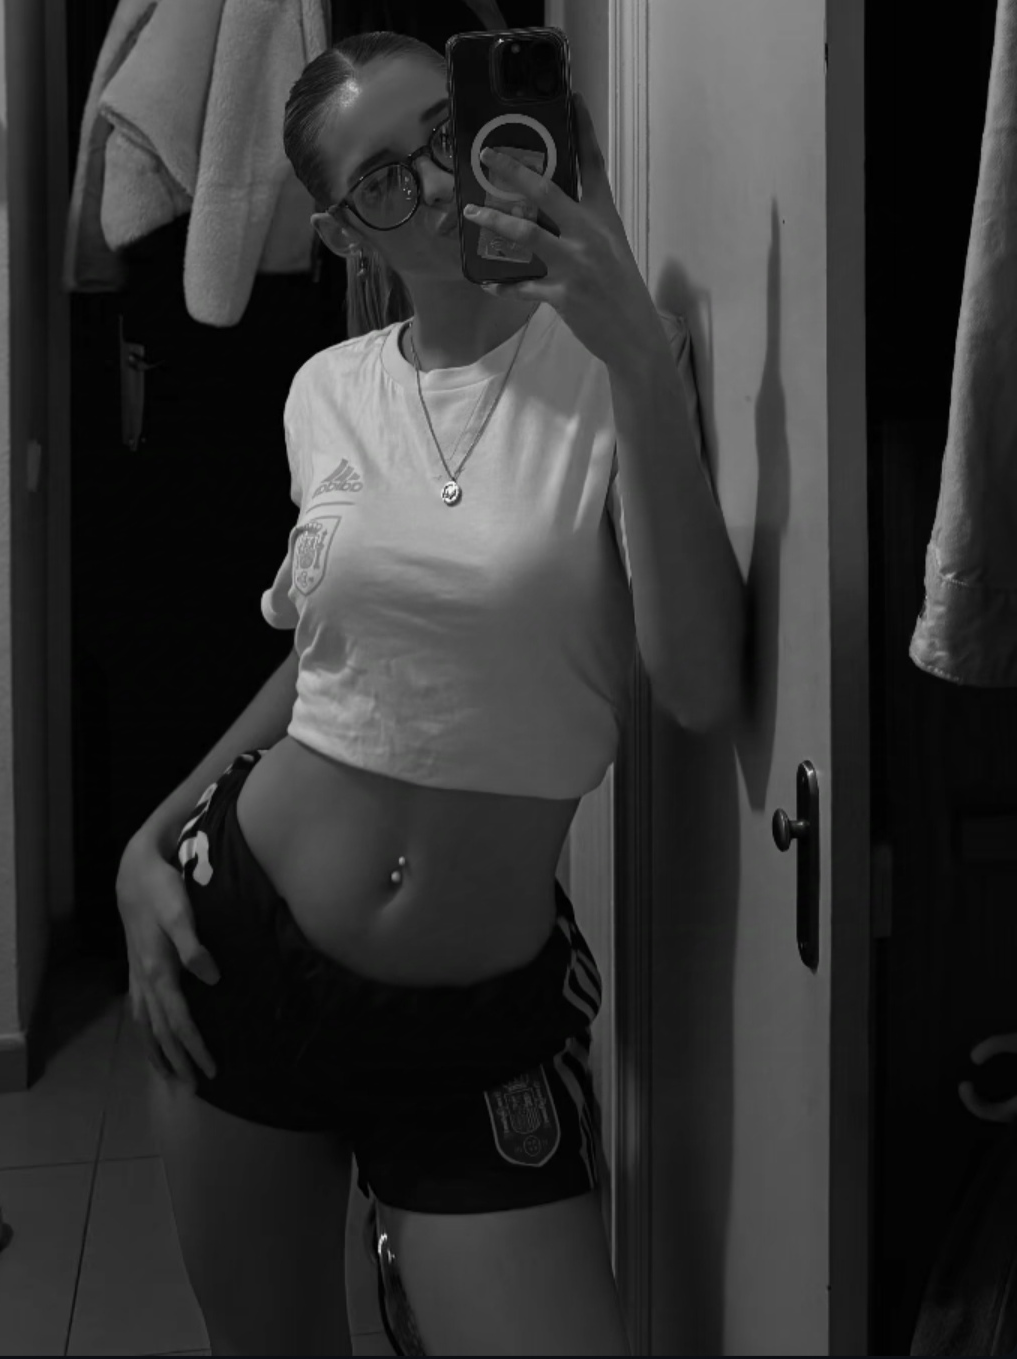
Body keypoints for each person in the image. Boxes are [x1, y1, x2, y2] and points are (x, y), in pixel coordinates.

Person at [115, 29, 745, 1358]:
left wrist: (637, 357)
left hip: (479, 1012)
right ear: (348, 233)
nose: (444, 183)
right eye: (388, 178)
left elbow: (696, 685)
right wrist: (147, 841)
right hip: (244, 948)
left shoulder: (621, 361)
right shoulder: (326, 392)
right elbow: (329, 666)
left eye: (449, 133)